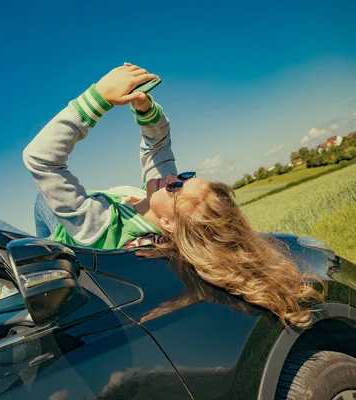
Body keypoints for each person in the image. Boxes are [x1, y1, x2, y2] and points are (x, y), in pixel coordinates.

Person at [19, 63, 326, 328]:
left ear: (167, 224)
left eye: (176, 187)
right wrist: (145, 109)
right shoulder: (159, 204)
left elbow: (40, 159)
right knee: (40, 204)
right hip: (77, 225)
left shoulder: (101, 226)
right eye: (186, 177)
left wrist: (98, 97)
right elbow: (158, 146)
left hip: (70, 241)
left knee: (8, 233)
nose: (171, 177)